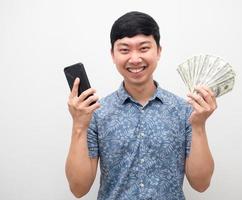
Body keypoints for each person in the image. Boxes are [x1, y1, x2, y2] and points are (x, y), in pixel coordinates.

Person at [65, 11, 216, 200]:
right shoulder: (96, 113)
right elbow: (78, 189)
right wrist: (79, 125)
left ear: (159, 51)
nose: (135, 59)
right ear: (112, 54)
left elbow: (201, 184)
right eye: (125, 50)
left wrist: (199, 125)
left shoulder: (184, 110)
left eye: (144, 48)